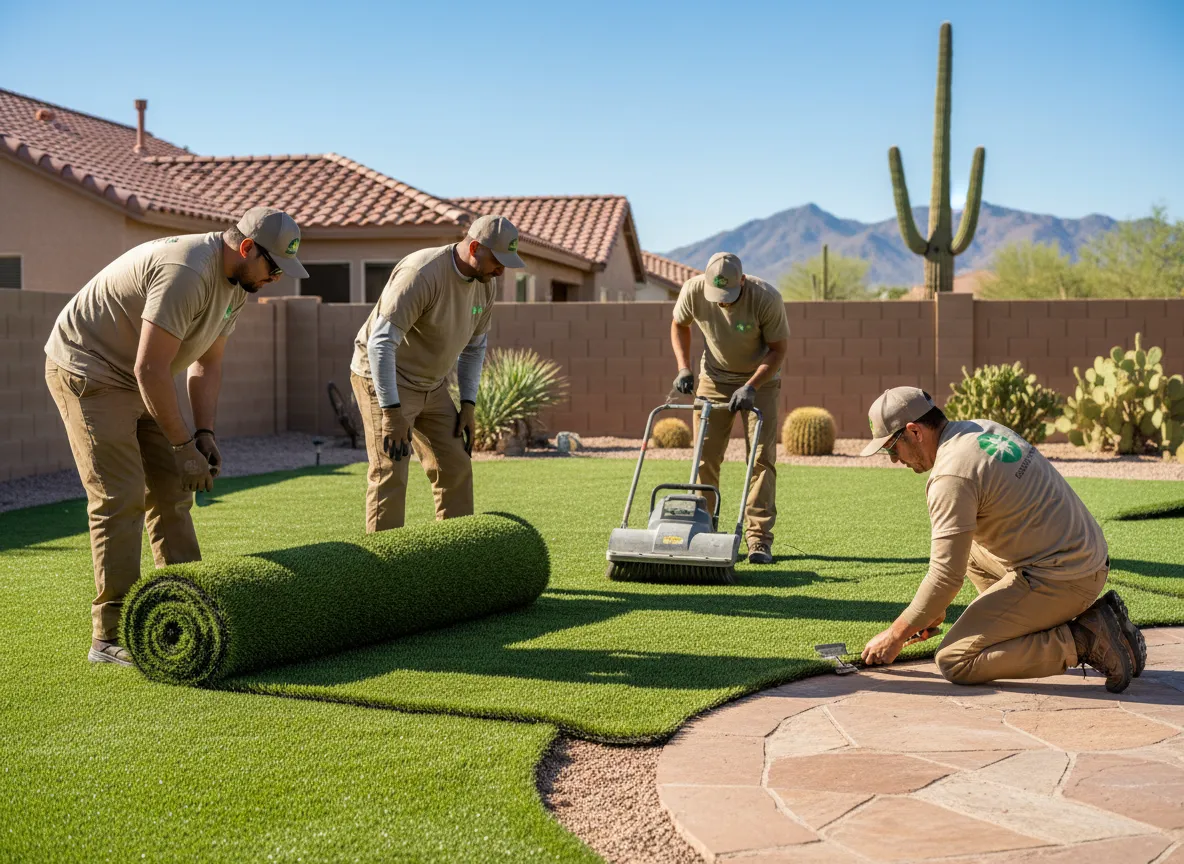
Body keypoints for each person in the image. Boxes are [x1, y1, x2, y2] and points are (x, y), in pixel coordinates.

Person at [44, 207, 307, 666]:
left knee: (171, 489)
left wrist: (201, 434)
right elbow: (149, 367)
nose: (278, 278)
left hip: (142, 375)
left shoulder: (238, 285)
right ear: (246, 248)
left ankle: (185, 608)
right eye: (275, 267)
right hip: (89, 368)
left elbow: (207, 363)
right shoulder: (187, 270)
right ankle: (109, 635)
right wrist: (183, 447)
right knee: (119, 494)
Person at [858, 386, 1146, 693]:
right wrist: (930, 611)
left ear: (914, 431)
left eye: (891, 449)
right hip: (1084, 558)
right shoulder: (979, 429)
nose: (893, 460)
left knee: (955, 660)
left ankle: (1084, 639)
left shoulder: (951, 476)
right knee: (966, 546)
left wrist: (896, 634)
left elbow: (944, 577)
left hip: (1065, 578)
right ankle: (1024, 630)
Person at [349, 215, 523, 532]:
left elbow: (474, 347)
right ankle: (382, 571)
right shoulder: (422, 273)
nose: (501, 270)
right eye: (498, 261)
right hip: (384, 378)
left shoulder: (486, 286)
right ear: (475, 248)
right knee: (391, 467)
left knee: (455, 463)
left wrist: (468, 405)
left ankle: (455, 557)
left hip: (432, 385)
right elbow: (380, 344)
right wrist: (391, 412)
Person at [670, 252, 789, 564]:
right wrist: (683, 368)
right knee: (704, 456)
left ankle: (758, 539)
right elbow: (678, 324)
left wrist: (751, 386)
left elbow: (778, 350)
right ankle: (704, 529)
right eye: (717, 296)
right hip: (713, 378)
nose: (722, 303)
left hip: (760, 381)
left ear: (743, 282)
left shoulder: (766, 298)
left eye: (729, 297)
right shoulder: (693, 290)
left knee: (761, 458)